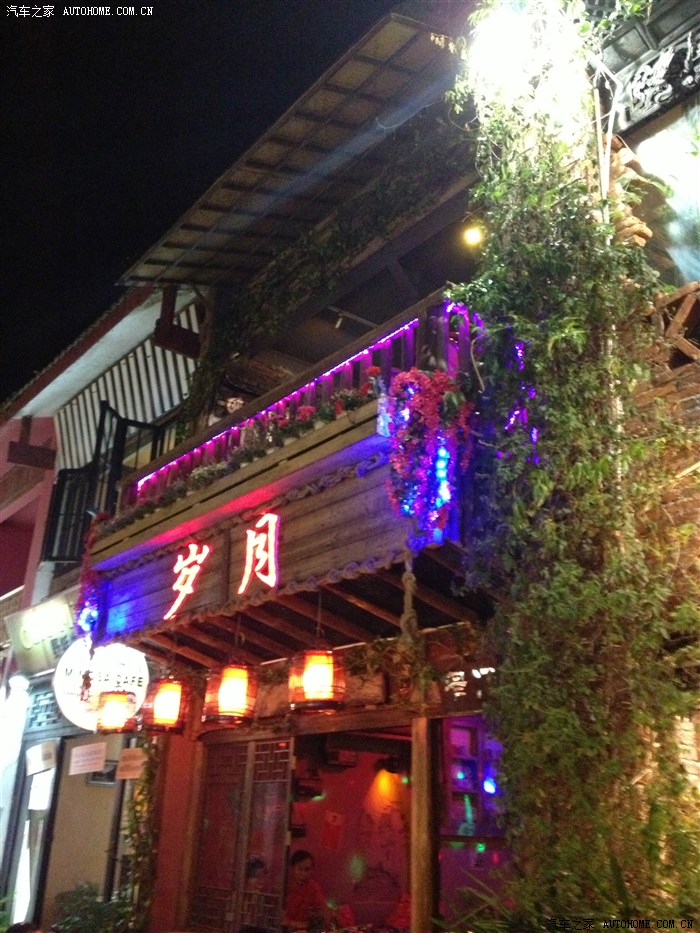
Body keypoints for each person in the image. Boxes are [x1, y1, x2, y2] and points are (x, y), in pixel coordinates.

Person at [282, 850, 328, 932]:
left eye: (307, 869)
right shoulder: (282, 885)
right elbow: (278, 917)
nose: (303, 873)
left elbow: (324, 912)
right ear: (292, 868)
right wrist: (292, 924)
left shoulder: (313, 887)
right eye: (300, 869)